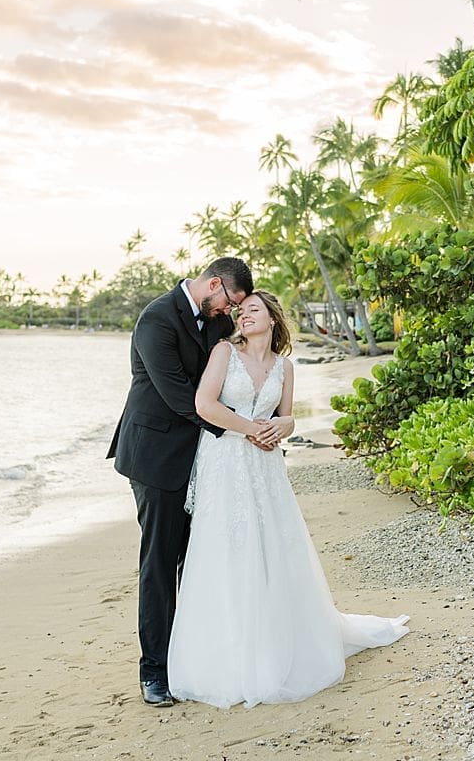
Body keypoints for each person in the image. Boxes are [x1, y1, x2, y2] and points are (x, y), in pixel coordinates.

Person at [167, 291, 409, 708]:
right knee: (228, 547)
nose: (243, 316)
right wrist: (251, 429)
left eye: (253, 310)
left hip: (265, 466)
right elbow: (204, 405)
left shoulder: (285, 366)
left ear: (273, 320)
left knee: (273, 546)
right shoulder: (224, 352)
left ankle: (279, 640)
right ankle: (228, 653)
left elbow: (288, 414)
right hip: (226, 462)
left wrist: (282, 426)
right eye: (240, 312)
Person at [107, 257, 270, 708]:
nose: (229, 313)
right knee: (160, 561)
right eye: (229, 303)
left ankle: (193, 660)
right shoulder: (155, 319)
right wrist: (242, 431)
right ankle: (154, 672)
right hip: (154, 457)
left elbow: (235, 372)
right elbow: (183, 395)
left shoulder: (217, 322)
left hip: (207, 460)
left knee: (199, 559)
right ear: (213, 284)